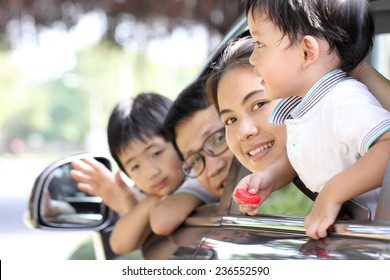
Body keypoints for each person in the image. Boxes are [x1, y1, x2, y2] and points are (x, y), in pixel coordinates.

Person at [235, 0, 390, 239]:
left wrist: (332, 192)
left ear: (307, 51)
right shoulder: (308, 108)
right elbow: (315, 150)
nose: (253, 59)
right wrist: (270, 178)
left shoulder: (342, 99)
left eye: (259, 44)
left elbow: (387, 148)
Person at [71, 92, 216, 255]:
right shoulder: (156, 196)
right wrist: (145, 202)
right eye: (135, 167)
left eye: (156, 153)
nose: (151, 173)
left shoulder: (201, 176)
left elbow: (162, 222)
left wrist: (142, 204)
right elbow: (118, 244)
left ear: (179, 139)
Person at [149, 77, 233, 235]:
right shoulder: (204, 179)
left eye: (218, 139)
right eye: (194, 159)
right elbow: (162, 221)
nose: (213, 169)